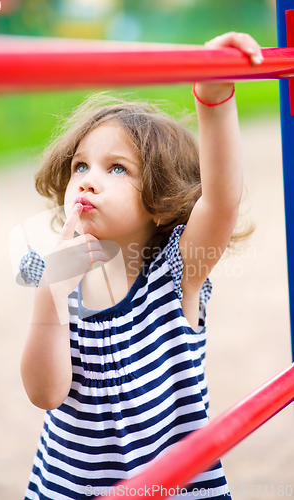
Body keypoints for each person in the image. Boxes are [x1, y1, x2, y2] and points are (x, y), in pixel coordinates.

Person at [19, 32, 263, 500]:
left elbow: (221, 201)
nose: (88, 181)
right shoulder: (59, 273)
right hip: (71, 489)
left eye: (116, 169)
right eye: (80, 167)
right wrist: (49, 291)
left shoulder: (176, 274)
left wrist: (213, 98)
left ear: (160, 199)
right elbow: (45, 394)